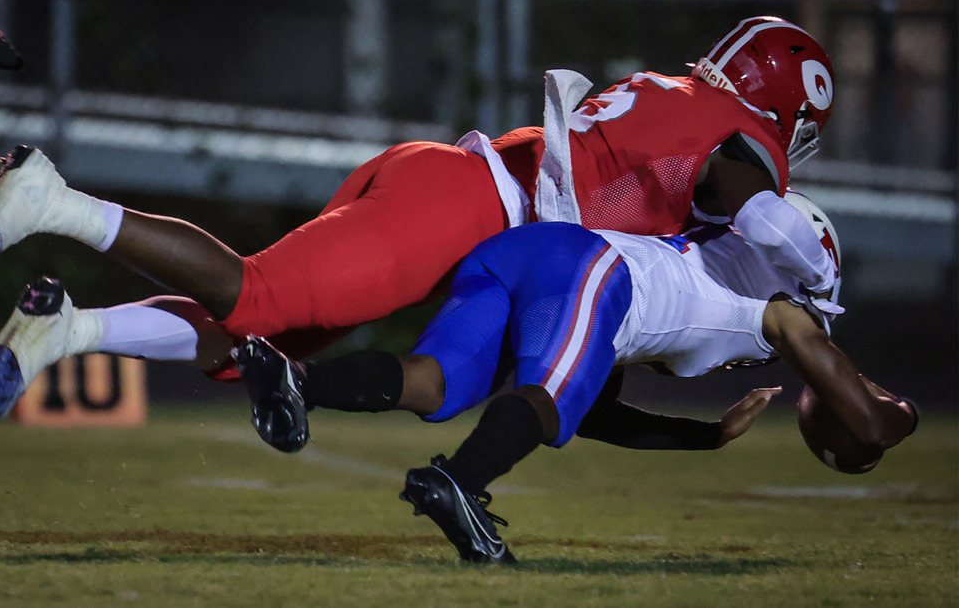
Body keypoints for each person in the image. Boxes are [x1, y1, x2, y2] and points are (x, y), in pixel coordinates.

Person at [0, 17, 838, 415]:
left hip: (452, 186)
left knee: (261, 346)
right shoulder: (739, 138)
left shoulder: (681, 95)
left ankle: (65, 332)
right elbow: (766, 221)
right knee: (257, 296)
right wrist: (820, 280)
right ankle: (54, 202)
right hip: (466, 208)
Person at [231, 191, 917, 564]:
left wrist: (705, 439)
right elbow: (865, 425)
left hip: (535, 255)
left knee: (437, 383)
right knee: (546, 397)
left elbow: (591, 412)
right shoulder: (788, 314)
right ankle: (461, 483)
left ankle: (297, 381)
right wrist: (899, 413)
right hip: (592, 270)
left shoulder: (714, 282)